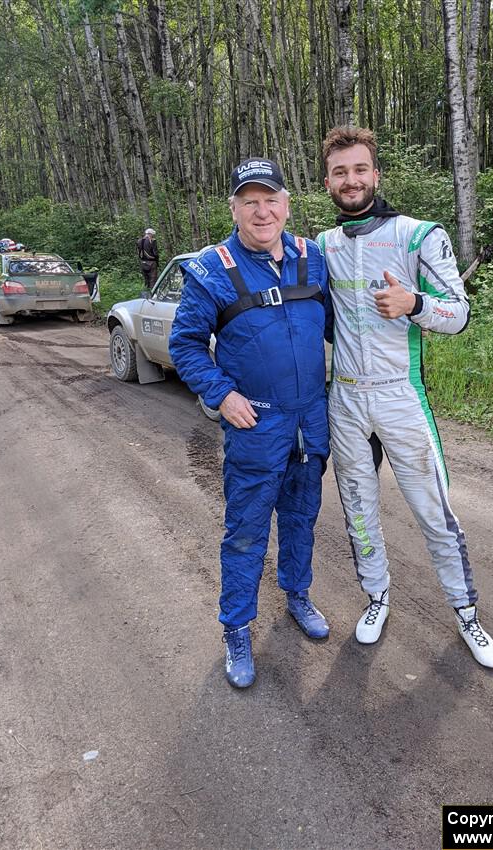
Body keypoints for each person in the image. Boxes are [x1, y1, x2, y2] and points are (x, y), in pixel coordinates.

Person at [318, 126, 493, 668]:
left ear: (376, 174)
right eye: (339, 172)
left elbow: (460, 314)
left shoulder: (420, 234)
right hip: (345, 398)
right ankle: (377, 598)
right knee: (357, 509)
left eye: (359, 170)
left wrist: (414, 302)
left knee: (433, 511)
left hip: (401, 396)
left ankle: (466, 612)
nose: (350, 181)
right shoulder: (321, 246)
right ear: (327, 181)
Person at [169, 158, 332, 689]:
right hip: (256, 423)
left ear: (287, 204)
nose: (262, 211)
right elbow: (186, 345)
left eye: (271, 199)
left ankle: (298, 596)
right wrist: (223, 394)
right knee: (245, 533)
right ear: (234, 209)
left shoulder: (314, 260)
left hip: (311, 420)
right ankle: (236, 627)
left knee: (302, 518)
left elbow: (343, 330)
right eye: (249, 201)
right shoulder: (211, 270)